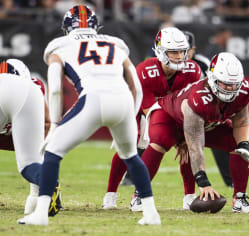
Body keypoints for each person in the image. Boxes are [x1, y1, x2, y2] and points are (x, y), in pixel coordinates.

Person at [18, 5, 160, 226]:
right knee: (131, 156)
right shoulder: (115, 43)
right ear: (96, 26)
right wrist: (131, 118)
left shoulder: (59, 46)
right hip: (122, 100)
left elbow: (55, 88)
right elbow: (137, 87)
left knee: (52, 153)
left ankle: (41, 213)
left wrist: (55, 123)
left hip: (93, 98)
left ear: (66, 27)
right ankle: (151, 214)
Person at [141, 52, 249, 213]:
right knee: (161, 140)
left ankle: (240, 198)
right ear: (212, 79)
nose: (231, 88)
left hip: (203, 124)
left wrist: (245, 144)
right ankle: (140, 195)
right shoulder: (199, 98)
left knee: (237, 145)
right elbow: (195, 146)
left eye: (234, 83)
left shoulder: (243, 90)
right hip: (168, 116)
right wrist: (204, 183)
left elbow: (242, 122)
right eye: (225, 83)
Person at [102, 27, 202, 212]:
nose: (180, 56)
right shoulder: (145, 70)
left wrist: (184, 134)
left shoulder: (193, 70)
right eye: (173, 52)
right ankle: (111, 194)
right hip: (140, 109)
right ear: (160, 51)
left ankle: (190, 196)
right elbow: (149, 109)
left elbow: (190, 104)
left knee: (188, 144)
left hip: (175, 112)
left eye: (182, 51)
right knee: (128, 148)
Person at [0, 59, 61, 216]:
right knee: (30, 163)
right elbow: (46, 124)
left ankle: (41, 188)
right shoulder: (34, 85)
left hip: (10, 133)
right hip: (19, 123)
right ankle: (45, 184)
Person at [184, 30, 233, 188]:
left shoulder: (204, 64)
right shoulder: (163, 64)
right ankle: (132, 179)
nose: (181, 54)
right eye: (176, 50)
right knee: (146, 135)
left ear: (194, 49)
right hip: (172, 112)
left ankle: (231, 181)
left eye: (186, 49)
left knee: (221, 136)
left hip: (198, 111)